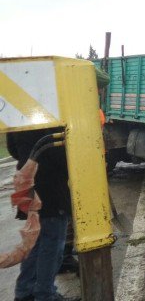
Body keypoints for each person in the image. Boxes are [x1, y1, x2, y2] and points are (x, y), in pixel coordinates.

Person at [8, 128, 77, 301]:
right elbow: (62, 153)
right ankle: (45, 294)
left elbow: (13, 149)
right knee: (52, 244)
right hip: (51, 186)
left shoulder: (17, 114)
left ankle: (25, 291)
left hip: (29, 181)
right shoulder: (52, 115)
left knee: (35, 242)